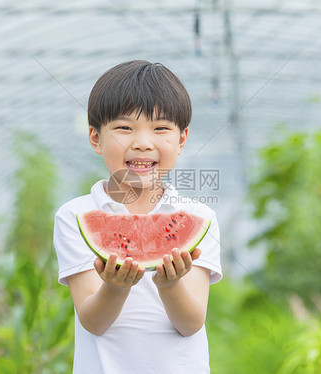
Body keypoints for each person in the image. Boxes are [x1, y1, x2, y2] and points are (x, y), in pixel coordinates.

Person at [53, 60, 222, 373]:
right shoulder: (74, 216)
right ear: (95, 138)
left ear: (181, 139)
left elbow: (191, 323)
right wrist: (115, 287)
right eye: (124, 128)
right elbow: (93, 322)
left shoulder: (200, 217)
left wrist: (170, 286)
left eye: (160, 128)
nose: (142, 142)